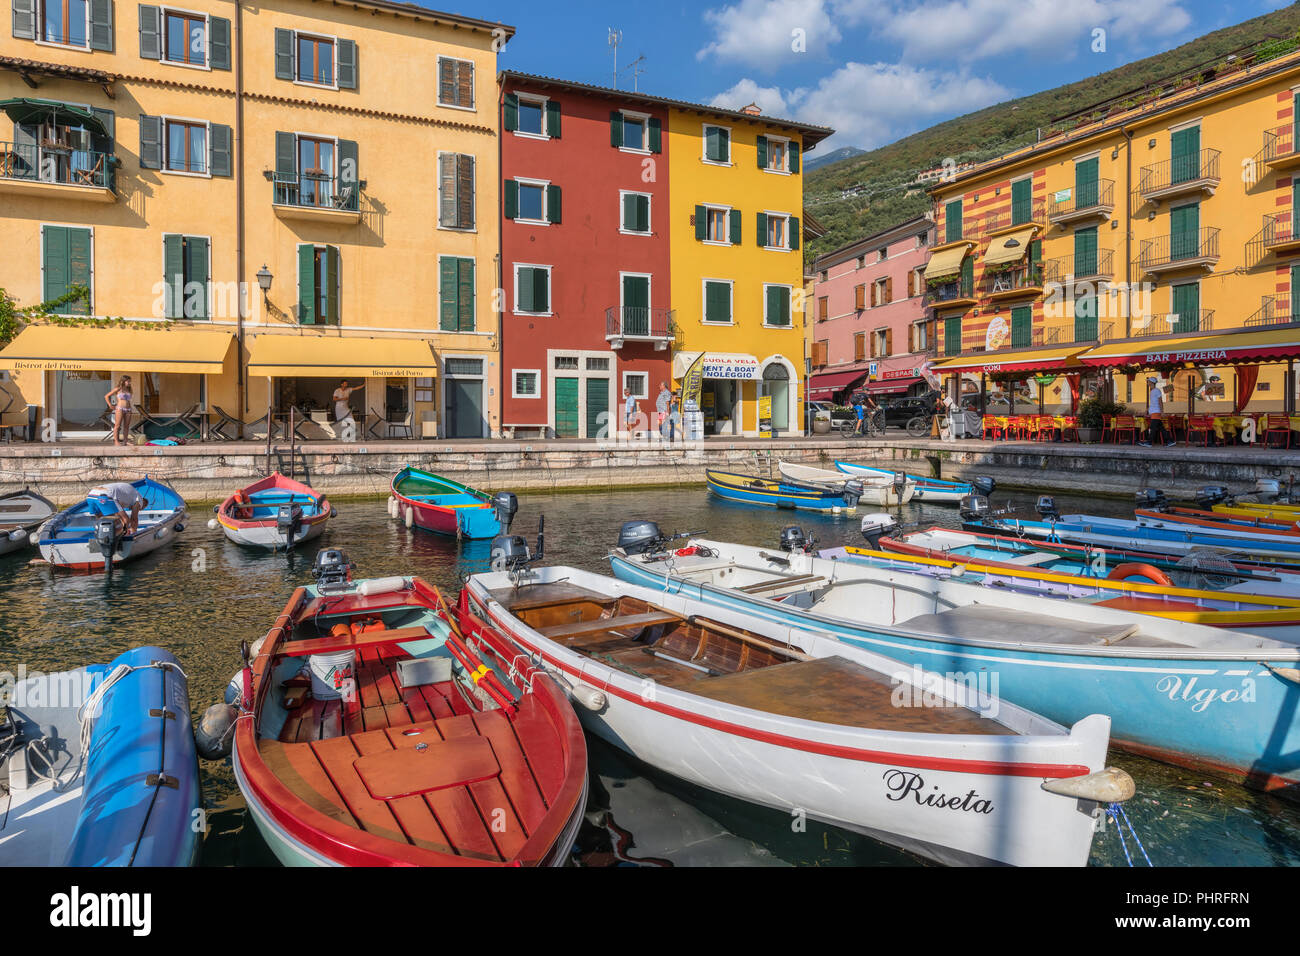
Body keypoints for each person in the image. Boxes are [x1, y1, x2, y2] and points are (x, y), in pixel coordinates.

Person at [1141, 378, 1174, 447]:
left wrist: (1162, 412)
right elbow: (1153, 403)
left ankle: (1149, 442)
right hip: (1154, 412)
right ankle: (1170, 441)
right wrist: (1147, 410)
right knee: (1161, 428)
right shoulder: (1152, 391)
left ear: (1152, 383)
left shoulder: (1157, 391)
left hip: (1156, 412)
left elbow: (1160, 401)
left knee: (1152, 428)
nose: (1148, 383)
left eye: (1149, 382)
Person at [104, 376, 133, 446]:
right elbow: (106, 396)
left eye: (130, 381)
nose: (129, 383)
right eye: (128, 381)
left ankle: (125, 441)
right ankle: (116, 441)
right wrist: (110, 405)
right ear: (123, 381)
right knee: (117, 426)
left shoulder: (129, 389)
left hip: (128, 409)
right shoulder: (118, 389)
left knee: (126, 426)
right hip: (120, 408)